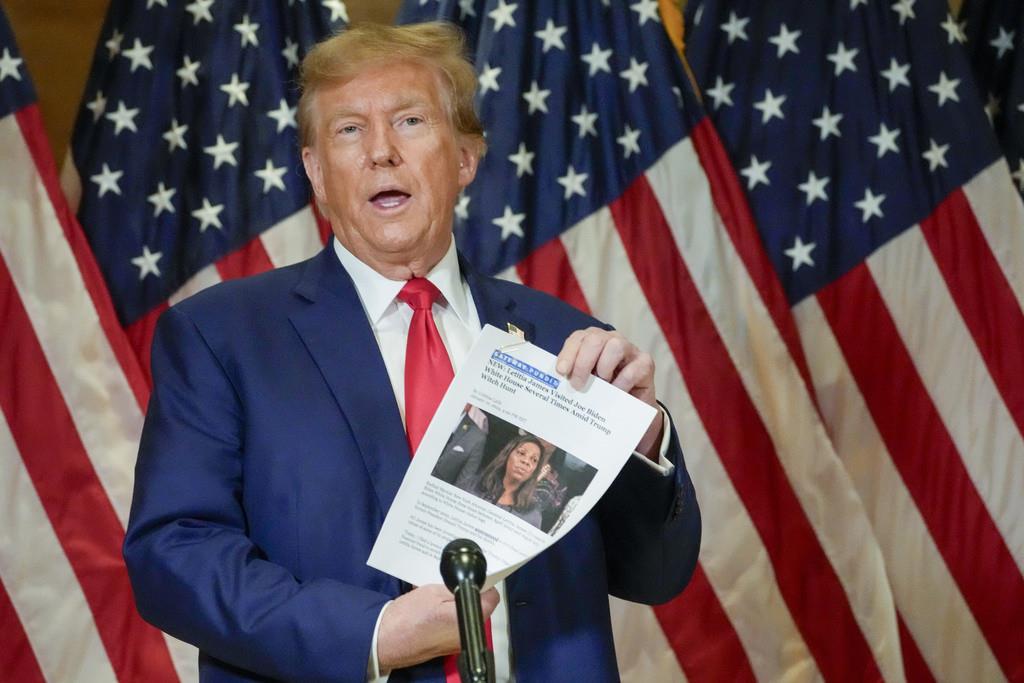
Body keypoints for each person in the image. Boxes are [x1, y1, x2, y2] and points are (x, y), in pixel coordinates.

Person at [123, 21, 701, 682]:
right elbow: (175, 555)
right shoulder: (222, 336)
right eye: (348, 130)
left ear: (464, 158)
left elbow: (656, 573)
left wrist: (642, 439)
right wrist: (375, 633)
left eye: (410, 121)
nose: (380, 152)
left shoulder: (560, 339)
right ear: (316, 172)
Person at [470, 435, 548, 528]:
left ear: (535, 471)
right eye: (521, 453)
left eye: (534, 460)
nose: (526, 461)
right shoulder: (472, 485)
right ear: (507, 455)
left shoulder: (532, 517)